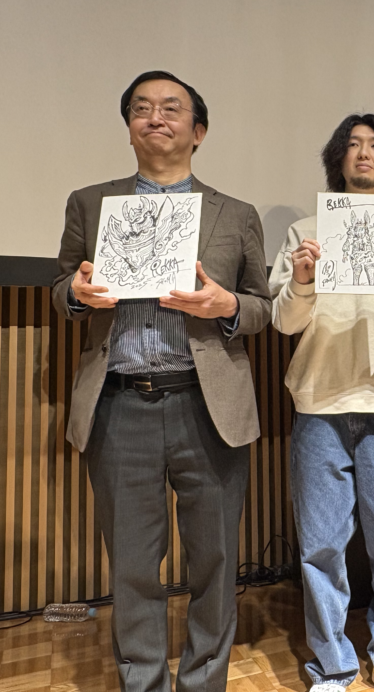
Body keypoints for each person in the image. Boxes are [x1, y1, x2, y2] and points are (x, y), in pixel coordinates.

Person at [52, 70, 272, 692]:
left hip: (208, 406)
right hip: (121, 405)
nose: (156, 117)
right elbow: (61, 287)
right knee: (132, 566)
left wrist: (227, 306)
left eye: (172, 108)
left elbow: (261, 305)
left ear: (198, 131)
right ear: (128, 128)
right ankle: (143, 682)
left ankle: (204, 682)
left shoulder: (237, 214)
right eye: (142, 109)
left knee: (215, 562)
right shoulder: (90, 204)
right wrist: (75, 293)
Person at [269, 114, 374, 692]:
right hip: (320, 401)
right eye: (352, 145)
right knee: (321, 547)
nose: (363, 154)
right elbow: (284, 321)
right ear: (337, 159)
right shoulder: (306, 232)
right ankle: (333, 665)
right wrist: (303, 279)